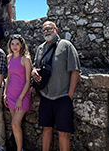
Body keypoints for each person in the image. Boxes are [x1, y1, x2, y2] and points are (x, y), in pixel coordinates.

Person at [32, 21, 81, 151]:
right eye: (44, 30)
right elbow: (36, 66)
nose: (46, 32)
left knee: (63, 132)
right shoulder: (40, 48)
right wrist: (33, 71)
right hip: (46, 95)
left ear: (56, 29)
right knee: (46, 129)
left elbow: (75, 70)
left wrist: (70, 94)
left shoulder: (66, 45)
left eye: (49, 29)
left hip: (62, 96)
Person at [3, 34, 32, 151]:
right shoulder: (9, 57)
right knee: (15, 125)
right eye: (12, 44)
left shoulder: (25, 59)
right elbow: (8, 78)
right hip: (11, 94)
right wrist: (5, 93)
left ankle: (19, 149)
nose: (14, 46)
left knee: (15, 123)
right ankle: (19, 148)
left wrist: (20, 98)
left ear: (21, 45)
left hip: (22, 96)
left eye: (17, 44)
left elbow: (28, 81)